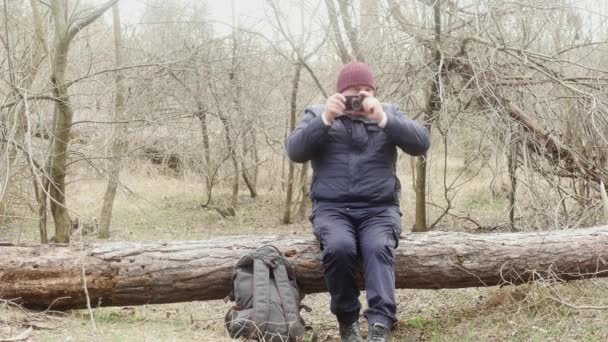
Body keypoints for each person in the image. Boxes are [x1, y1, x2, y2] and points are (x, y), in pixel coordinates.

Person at [285, 61, 430, 342]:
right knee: (339, 248)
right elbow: (295, 151)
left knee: (378, 248)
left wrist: (384, 120)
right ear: (340, 93)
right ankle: (347, 320)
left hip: (379, 208)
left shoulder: (388, 113)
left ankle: (380, 324)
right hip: (332, 209)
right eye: (354, 91)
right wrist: (326, 119)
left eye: (367, 90)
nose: (360, 97)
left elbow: (421, 142)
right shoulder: (318, 113)